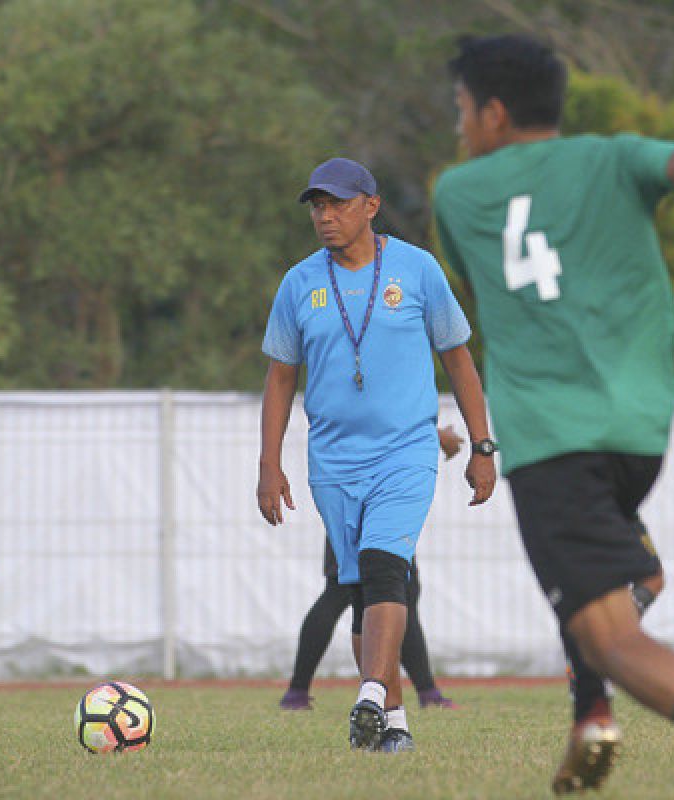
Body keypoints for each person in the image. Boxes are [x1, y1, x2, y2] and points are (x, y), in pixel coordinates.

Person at [433, 34, 674, 799]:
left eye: (462, 111)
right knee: (602, 585)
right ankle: (591, 722)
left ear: (495, 113)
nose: (459, 126)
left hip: (552, 439)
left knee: (608, 635)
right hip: (639, 432)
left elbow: (493, 294)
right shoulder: (617, 156)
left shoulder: (455, 193)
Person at [258, 157, 496, 754]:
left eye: (337, 203)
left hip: (406, 450)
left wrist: (482, 445)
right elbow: (281, 379)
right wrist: (269, 464)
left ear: (371, 205)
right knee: (364, 589)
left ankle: (368, 692)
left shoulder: (417, 270)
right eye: (317, 205)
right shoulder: (298, 283)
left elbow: (459, 360)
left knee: (388, 566)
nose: (325, 216)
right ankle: (392, 722)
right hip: (332, 463)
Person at [279, 426, 465, 712]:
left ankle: (424, 691)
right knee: (348, 591)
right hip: (364, 488)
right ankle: (301, 691)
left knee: (398, 590)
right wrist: (438, 435)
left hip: (380, 490)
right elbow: (379, 414)